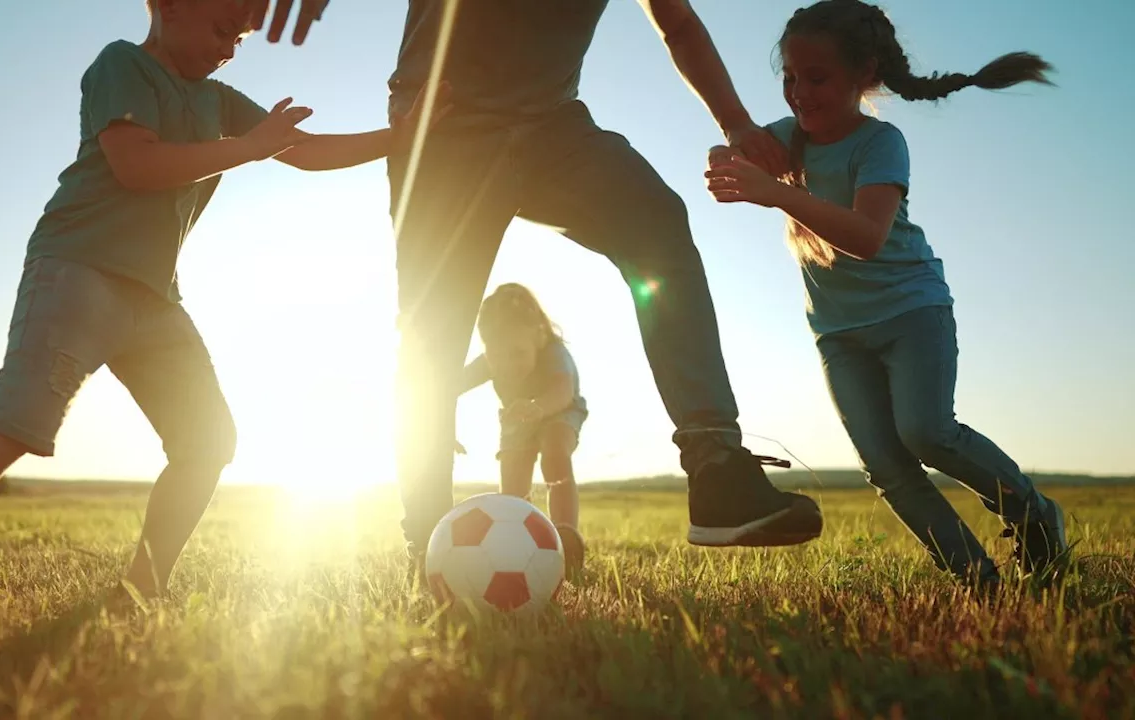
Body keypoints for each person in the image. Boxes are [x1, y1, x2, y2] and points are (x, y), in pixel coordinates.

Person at [0, 0, 440, 621]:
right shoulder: (124, 64)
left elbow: (303, 149)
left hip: (156, 297)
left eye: (240, 37)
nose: (230, 48)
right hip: (79, 268)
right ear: (167, 7)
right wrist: (248, 147)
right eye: (223, 28)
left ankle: (138, 592)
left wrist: (401, 137)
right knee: (18, 414)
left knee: (207, 439)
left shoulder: (218, 99)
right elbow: (137, 165)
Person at [255, 0, 827, 571]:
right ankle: (429, 539)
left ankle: (717, 470)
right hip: (439, 129)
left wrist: (736, 123)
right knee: (433, 332)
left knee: (655, 222)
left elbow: (676, 21)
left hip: (553, 128)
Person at [704, 0, 1067, 586]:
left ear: (863, 74)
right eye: (790, 78)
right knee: (887, 466)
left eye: (816, 78)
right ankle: (975, 578)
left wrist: (775, 192)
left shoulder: (881, 142)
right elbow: (728, 153)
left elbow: (868, 237)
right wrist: (727, 153)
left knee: (927, 433)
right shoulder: (785, 139)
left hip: (912, 311)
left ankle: (1032, 511)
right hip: (838, 332)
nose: (799, 93)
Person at [456, 284, 589, 575]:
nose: (507, 364)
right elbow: (451, 387)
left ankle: (566, 536)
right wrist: (439, 421)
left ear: (538, 337)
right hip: (517, 417)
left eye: (518, 353)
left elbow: (562, 389)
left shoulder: (553, 353)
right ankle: (515, 542)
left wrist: (539, 408)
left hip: (559, 409)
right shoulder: (492, 360)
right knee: (513, 488)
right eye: (497, 356)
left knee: (554, 454)